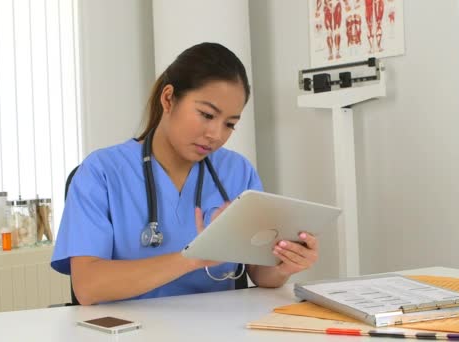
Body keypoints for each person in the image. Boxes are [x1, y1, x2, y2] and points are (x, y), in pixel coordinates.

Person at [51, 42, 319, 305]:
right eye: (206, 114)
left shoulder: (237, 172)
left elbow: (261, 274)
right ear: (168, 99)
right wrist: (193, 258)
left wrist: (286, 264)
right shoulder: (101, 173)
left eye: (229, 124)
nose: (215, 134)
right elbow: (88, 286)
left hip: (215, 328)